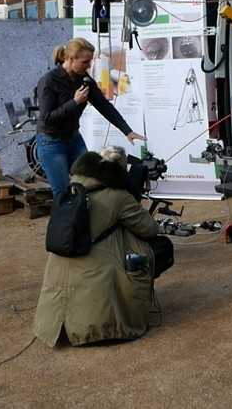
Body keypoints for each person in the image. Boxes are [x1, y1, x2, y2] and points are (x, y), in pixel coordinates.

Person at [33, 146, 159, 346]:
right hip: (97, 323)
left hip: (51, 321)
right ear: (118, 171)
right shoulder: (117, 196)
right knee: (150, 249)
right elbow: (149, 229)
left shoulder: (71, 189)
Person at [36, 38, 146, 200]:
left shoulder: (84, 79)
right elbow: (47, 118)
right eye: (85, 62)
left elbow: (104, 105)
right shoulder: (49, 81)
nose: (89, 66)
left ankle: (90, 223)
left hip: (74, 139)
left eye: (90, 62)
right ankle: (65, 225)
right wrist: (75, 102)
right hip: (52, 143)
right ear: (71, 59)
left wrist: (127, 131)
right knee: (63, 194)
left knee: (92, 184)